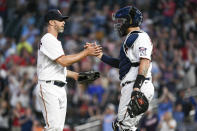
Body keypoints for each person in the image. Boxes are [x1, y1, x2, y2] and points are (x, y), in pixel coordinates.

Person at [88, 6, 155, 130]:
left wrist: (136, 88)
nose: (118, 24)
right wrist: (100, 56)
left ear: (130, 20)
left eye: (120, 21)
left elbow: (144, 62)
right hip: (133, 86)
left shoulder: (140, 37)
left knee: (122, 127)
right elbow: (123, 64)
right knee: (125, 127)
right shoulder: (132, 37)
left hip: (137, 85)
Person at [36, 9, 101, 131]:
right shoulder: (48, 38)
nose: (63, 22)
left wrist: (77, 75)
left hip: (59, 87)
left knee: (58, 129)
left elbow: (59, 67)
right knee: (53, 128)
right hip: (49, 87)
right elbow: (63, 61)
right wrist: (86, 53)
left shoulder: (55, 41)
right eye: (60, 20)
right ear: (51, 22)